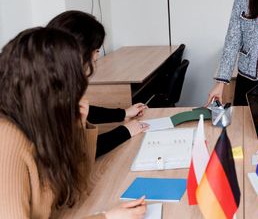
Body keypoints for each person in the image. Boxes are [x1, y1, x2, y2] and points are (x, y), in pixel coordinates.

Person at [0, 27, 147, 218]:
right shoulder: (7, 138)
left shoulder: (40, 125)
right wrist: (108, 217)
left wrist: (78, 128)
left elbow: (75, 190)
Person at [47, 10, 149, 157]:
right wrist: (125, 131)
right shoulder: (47, 93)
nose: (97, 55)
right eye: (95, 49)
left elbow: (81, 109)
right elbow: (78, 153)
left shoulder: (53, 80)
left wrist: (123, 114)